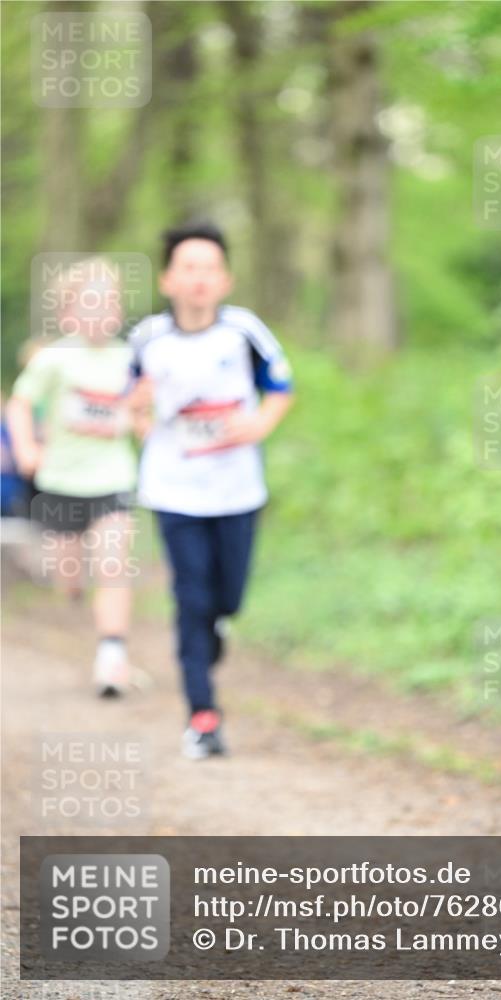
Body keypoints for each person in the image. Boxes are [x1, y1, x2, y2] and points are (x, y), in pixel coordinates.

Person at [129, 222, 294, 760]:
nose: (199, 279)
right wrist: (140, 415)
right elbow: (131, 401)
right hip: (173, 489)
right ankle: (202, 715)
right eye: (188, 268)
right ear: (167, 279)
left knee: (228, 598)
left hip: (236, 489)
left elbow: (281, 386)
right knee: (190, 598)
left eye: (209, 269)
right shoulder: (147, 338)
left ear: (225, 280)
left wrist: (260, 425)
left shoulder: (243, 330)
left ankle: (219, 622)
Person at [7, 257, 139, 697]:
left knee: (113, 563)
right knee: (69, 574)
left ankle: (111, 655)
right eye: (91, 303)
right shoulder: (55, 359)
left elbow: (142, 409)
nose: (102, 311)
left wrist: (140, 422)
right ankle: (74, 590)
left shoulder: (130, 357)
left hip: (113, 478)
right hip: (61, 483)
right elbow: (20, 404)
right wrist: (26, 447)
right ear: (68, 314)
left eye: (110, 303)